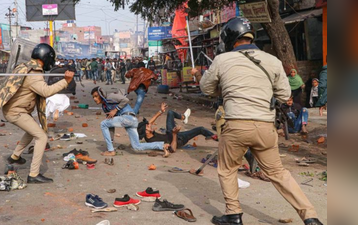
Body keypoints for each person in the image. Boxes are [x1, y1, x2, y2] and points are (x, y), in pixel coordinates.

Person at [192, 17, 322, 225]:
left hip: (236, 125)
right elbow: (284, 94)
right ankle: (311, 217)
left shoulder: (222, 60)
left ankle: (234, 215)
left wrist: (209, 80)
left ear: (230, 39)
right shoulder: (272, 61)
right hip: (265, 127)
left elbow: (206, 89)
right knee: (278, 172)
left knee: (228, 169)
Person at [0, 43, 75, 184]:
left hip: (15, 109)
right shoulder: (34, 73)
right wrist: (65, 81)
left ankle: (15, 156)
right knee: (41, 136)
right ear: (46, 57)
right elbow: (45, 91)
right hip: (16, 111)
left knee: (32, 131)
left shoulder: (25, 66)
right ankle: (33, 174)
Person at [90, 87, 171, 157]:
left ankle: (111, 151)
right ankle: (162, 146)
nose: (94, 99)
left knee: (103, 124)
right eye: (93, 97)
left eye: (96, 96)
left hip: (128, 118)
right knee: (136, 146)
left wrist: (115, 110)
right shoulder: (105, 106)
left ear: (101, 94)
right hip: (130, 121)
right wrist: (110, 141)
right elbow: (111, 124)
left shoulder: (110, 97)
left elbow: (125, 100)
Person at [138, 103, 217, 152]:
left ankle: (183, 117)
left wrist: (161, 111)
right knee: (200, 129)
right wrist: (175, 134)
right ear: (146, 132)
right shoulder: (153, 142)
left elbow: (151, 121)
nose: (150, 124)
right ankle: (217, 138)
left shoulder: (148, 132)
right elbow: (172, 149)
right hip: (178, 140)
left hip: (170, 132)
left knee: (170, 112)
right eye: (148, 126)